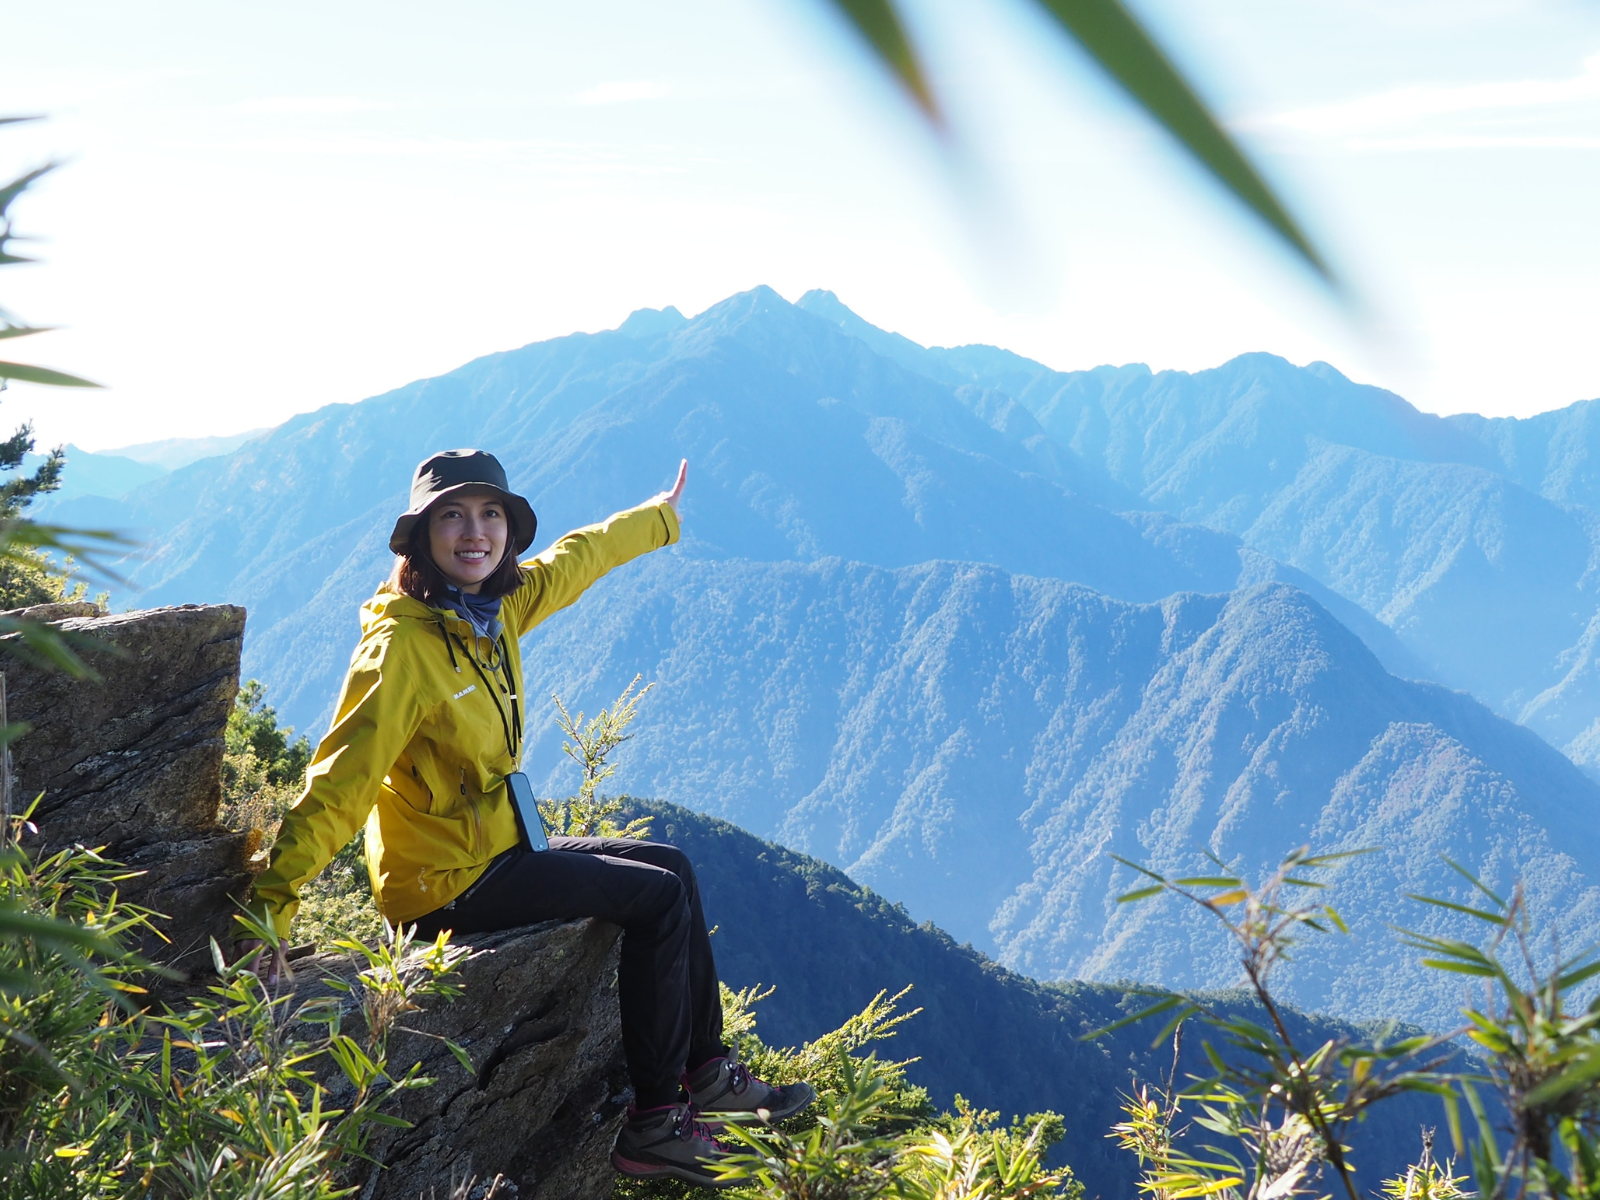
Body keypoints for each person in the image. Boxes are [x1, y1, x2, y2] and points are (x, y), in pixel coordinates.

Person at [241, 449, 813, 1189]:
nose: (474, 531)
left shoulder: (492, 609)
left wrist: (656, 519)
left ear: (508, 530)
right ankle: (655, 1125)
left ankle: (707, 1073)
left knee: (671, 865)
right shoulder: (402, 650)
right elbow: (338, 785)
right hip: (442, 882)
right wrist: (270, 909)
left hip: (498, 847)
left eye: (491, 515)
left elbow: (573, 563)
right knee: (659, 900)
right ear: (420, 536)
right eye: (452, 514)